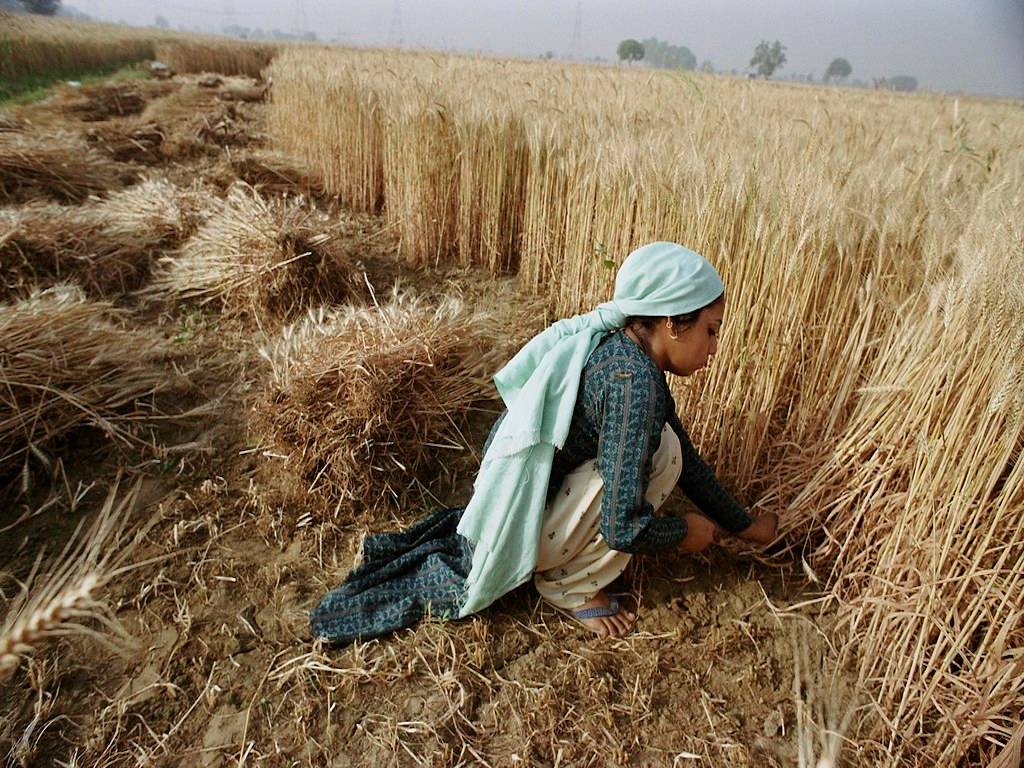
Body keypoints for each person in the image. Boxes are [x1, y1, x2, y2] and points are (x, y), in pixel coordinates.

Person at [311, 241, 778, 643]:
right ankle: (569, 586)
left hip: (524, 499)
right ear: (674, 323)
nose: (714, 347)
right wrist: (686, 535)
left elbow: (689, 461)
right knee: (657, 460)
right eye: (711, 331)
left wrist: (741, 524)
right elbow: (624, 528)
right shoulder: (633, 383)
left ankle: (563, 553)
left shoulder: (625, 351)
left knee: (667, 449)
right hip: (524, 522)